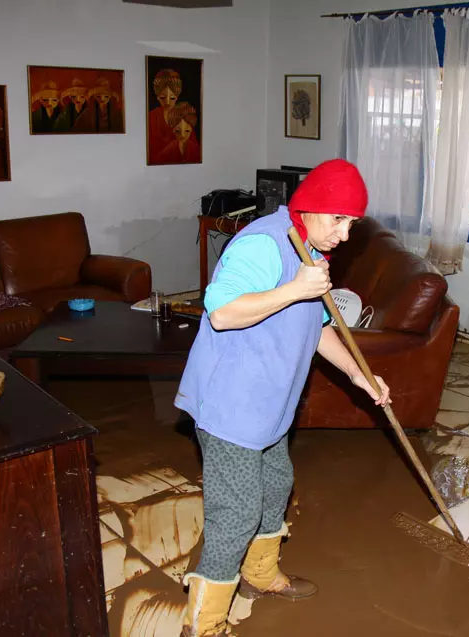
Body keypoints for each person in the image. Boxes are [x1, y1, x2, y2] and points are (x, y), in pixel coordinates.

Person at [174, 159, 391, 636]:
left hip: (271, 403)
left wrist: (360, 375)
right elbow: (223, 313)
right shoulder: (262, 245)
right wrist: (295, 288)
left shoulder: (312, 250)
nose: (345, 233)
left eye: (352, 223)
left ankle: (258, 575)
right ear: (309, 207)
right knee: (237, 511)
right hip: (231, 403)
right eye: (338, 219)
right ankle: (203, 621)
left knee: (276, 486)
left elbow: (316, 328)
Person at [147, 69, 183, 164]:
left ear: (177, 96)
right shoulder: (150, 117)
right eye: (162, 98)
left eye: (172, 98)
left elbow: (193, 150)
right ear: (157, 96)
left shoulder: (184, 117)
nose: (167, 102)